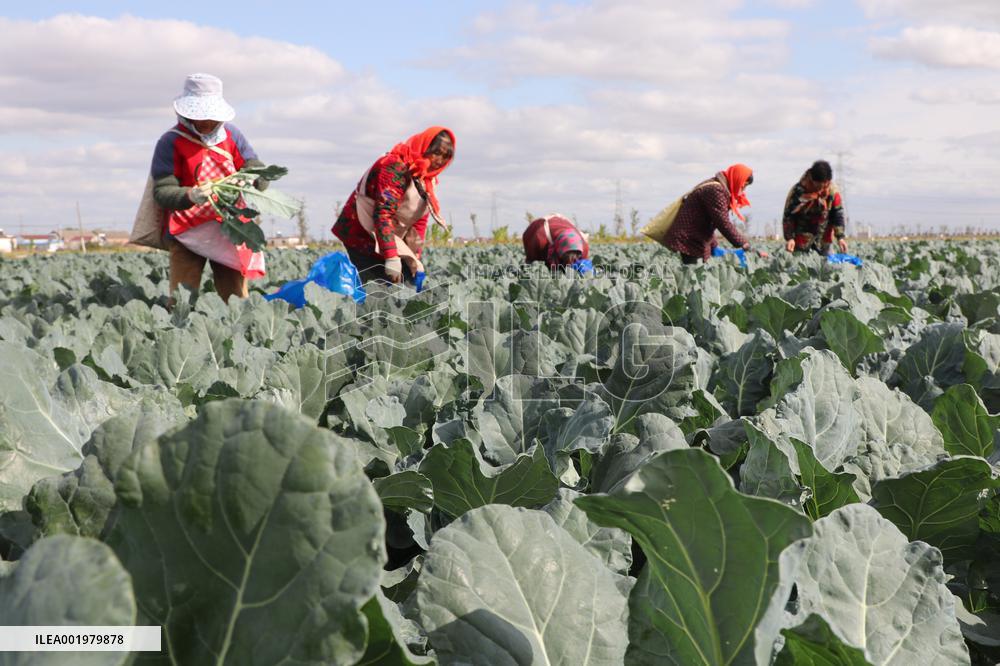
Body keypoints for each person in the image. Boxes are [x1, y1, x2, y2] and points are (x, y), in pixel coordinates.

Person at [150, 73, 270, 303]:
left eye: (210, 116)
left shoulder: (232, 135)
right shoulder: (170, 142)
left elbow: (257, 170)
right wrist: (191, 195)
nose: (205, 122)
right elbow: (162, 191)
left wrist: (251, 178)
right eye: (199, 116)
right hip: (187, 231)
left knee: (236, 297)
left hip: (229, 227)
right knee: (181, 299)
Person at [332, 127, 455, 284]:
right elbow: (383, 214)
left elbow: (419, 220)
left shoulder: (428, 180)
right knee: (375, 289)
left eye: (446, 156)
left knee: (404, 281)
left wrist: (414, 259)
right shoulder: (394, 167)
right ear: (425, 147)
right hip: (361, 232)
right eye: (436, 153)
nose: (440, 160)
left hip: (390, 233)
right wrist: (391, 257)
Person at [661, 164, 758, 264]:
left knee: (697, 273)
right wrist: (743, 243)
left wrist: (713, 245)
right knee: (692, 274)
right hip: (688, 239)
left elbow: (710, 221)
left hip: (695, 237)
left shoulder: (718, 187)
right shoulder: (716, 190)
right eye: (743, 185)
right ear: (737, 178)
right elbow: (722, 222)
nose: (743, 190)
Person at [782, 160, 848, 255]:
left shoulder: (833, 192)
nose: (821, 189)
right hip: (801, 240)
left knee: (826, 268)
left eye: (824, 185)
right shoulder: (797, 192)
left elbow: (837, 214)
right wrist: (790, 238)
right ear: (812, 179)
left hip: (824, 240)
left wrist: (840, 237)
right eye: (818, 186)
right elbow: (788, 216)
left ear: (828, 181)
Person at [522, 214, 590, 269]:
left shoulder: (583, 245)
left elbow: (585, 266)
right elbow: (531, 262)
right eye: (566, 259)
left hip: (561, 224)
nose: (571, 262)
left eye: (576, 258)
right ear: (558, 251)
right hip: (535, 230)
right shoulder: (540, 240)